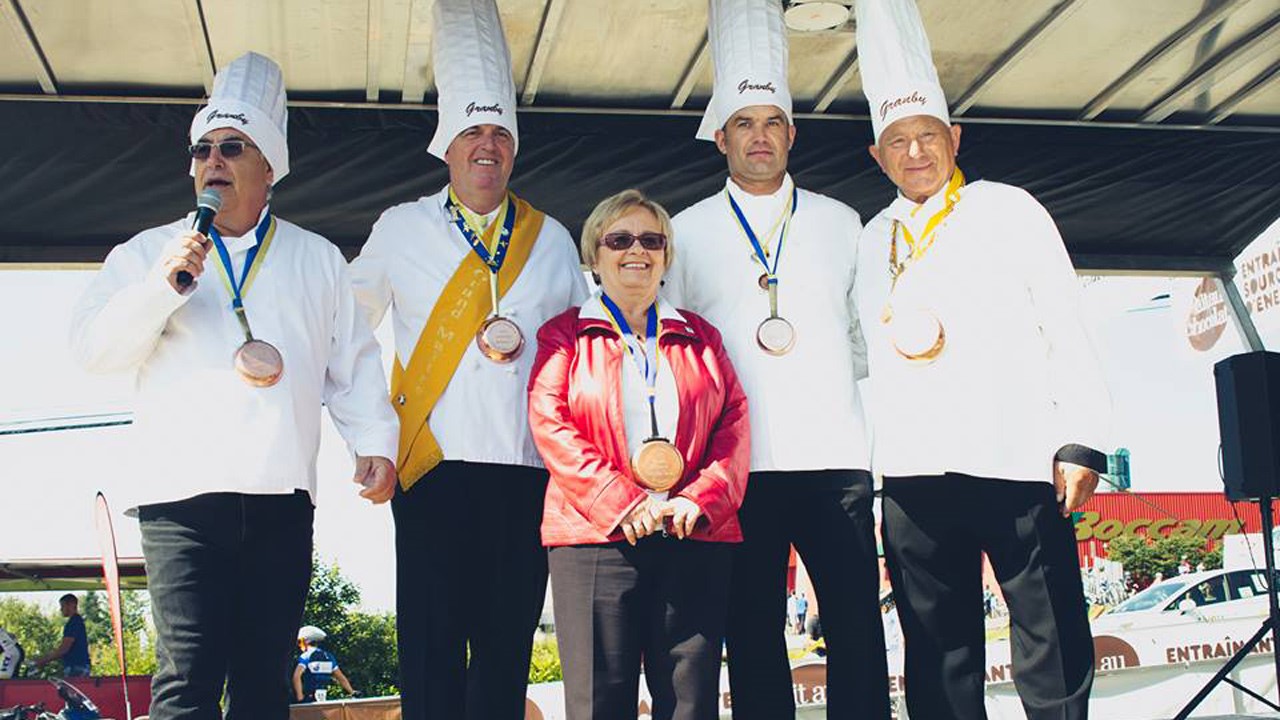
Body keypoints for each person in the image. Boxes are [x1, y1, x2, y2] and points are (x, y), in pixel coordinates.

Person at [70, 52, 399, 720]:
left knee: (263, 684)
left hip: (280, 496)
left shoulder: (316, 258)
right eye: (202, 149)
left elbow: (353, 363)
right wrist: (159, 289)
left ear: (269, 166)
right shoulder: (147, 254)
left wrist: (374, 442)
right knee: (188, 678)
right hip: (179, 501)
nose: (212, 161)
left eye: (231, 147)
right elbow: (94, 351)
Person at [852, 2, 1112, 718]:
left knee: (1049, 630)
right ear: (876, 155)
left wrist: (1081, 436)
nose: (914, 153)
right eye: (896, 141)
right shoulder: (870, 238)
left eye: (927, 136)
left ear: (955, 137)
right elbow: (856, 349)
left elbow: (1065, 319)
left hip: (1015, 456)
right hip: (911, 473)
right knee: (936, 647)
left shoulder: (1010, 209)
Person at [349, 1, 587, 717]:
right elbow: (345, 335)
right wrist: (370, 440)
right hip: (430, 470)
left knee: (507, 654)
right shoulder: (402, 227)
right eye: (472, 132)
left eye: (499, 134)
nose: (487, 145)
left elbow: (581, 354)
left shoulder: (552, 239)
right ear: (446, 146)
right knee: (429, 651)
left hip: (525, 473)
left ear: (513, 149)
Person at [663, 1, 890, 717]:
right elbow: (674, 352)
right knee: (752, 631)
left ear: (792, 134)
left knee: (855, 627)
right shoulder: (686, 231)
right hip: (738, 467)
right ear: (721, 138)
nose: (758, 138)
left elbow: (864, 337)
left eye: (770, 125)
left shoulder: (840, 221)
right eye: (743, 126)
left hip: (836, 461)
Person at [528, 189, 750, 720]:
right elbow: (550, 423)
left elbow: (734, 423)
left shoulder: (702, 336)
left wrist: (702, 497)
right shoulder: (562, 335)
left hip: (690, 531)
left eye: (652, 240)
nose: (637, 250)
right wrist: (623, 502)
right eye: (619, 239)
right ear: (594, 256)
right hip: (594, 538)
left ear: (666, 256)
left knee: (692, 702)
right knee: (599, 700)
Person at [31, 594, 90, 677]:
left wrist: (43, 660)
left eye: (63, 606)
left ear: (71, 605)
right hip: (80, 665)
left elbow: (64, 649)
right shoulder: (78, 621)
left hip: (75, 666)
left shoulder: (73, 623)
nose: (61, 609)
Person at [293, 626, 356, 703]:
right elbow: (340, 677)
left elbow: (296, 676)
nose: (299, 645)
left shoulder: (306, 656)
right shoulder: (328, 656)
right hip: (323, 698)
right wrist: (352, 692)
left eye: (300, 642)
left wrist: (300, 697)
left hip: (308, 698)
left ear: (305, 641)